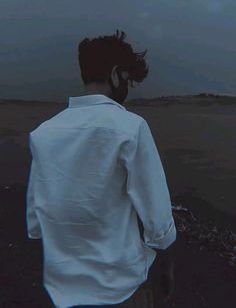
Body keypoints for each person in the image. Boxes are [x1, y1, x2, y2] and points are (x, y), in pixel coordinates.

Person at [26, 29, 177, 308]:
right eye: (128, 81)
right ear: (116, 73)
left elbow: (36, 220)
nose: (127, 90)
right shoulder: (131, 128)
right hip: (119, 286)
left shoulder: (44, 132)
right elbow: (157, 219)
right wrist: (166, 266)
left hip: (62, 289)